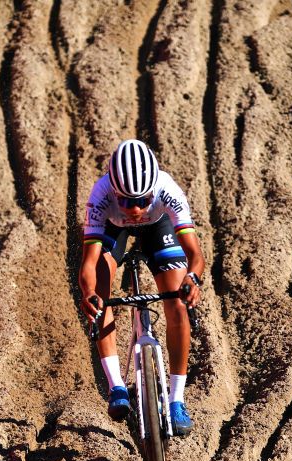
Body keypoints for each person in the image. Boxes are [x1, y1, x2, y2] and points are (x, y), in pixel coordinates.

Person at [78, 139, 206, 436]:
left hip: (158, 227)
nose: (135, 209)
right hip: (114, 228)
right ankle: (116, 387)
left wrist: (194, 279)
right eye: (126, 201)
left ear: (154, 191)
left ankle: (176, 400)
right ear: (113, 191)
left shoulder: (169, 191)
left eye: (143, 201)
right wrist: (89, 294)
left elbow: (195, 255)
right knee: (99, 293)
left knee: (177, 305)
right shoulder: (100, 196)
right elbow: (88, 262)